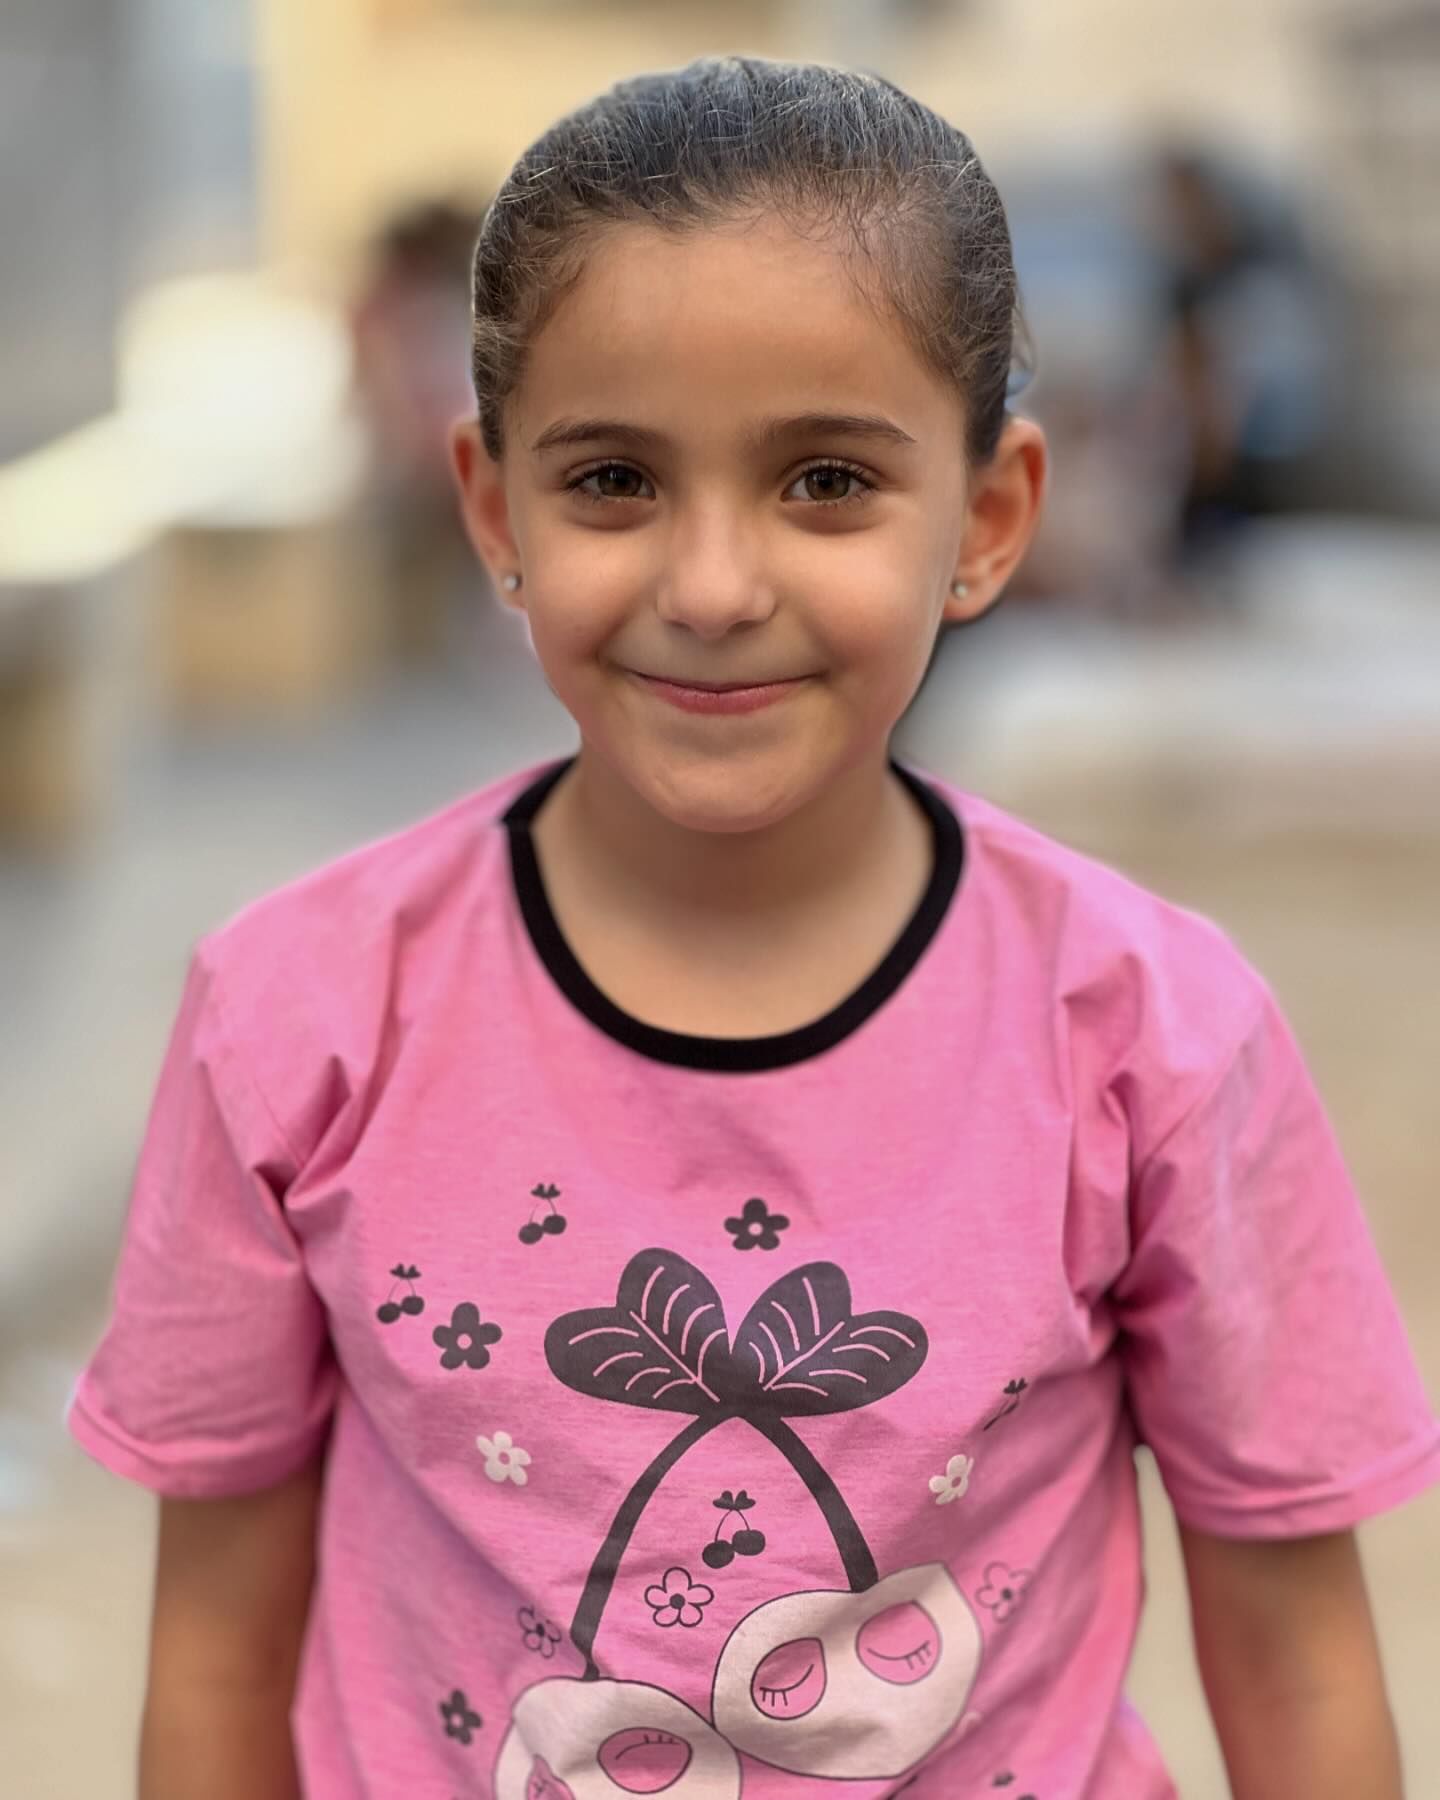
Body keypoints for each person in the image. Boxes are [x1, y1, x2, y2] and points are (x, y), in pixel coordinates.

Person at [68, 58, 1437, 1800]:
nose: (713, 587)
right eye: (614, 480)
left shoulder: (1152, 1034)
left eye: (827, 480)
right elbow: (213, 1661)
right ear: (494, 510)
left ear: (990, 521)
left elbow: (1301, 1661)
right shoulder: (299, 1018)